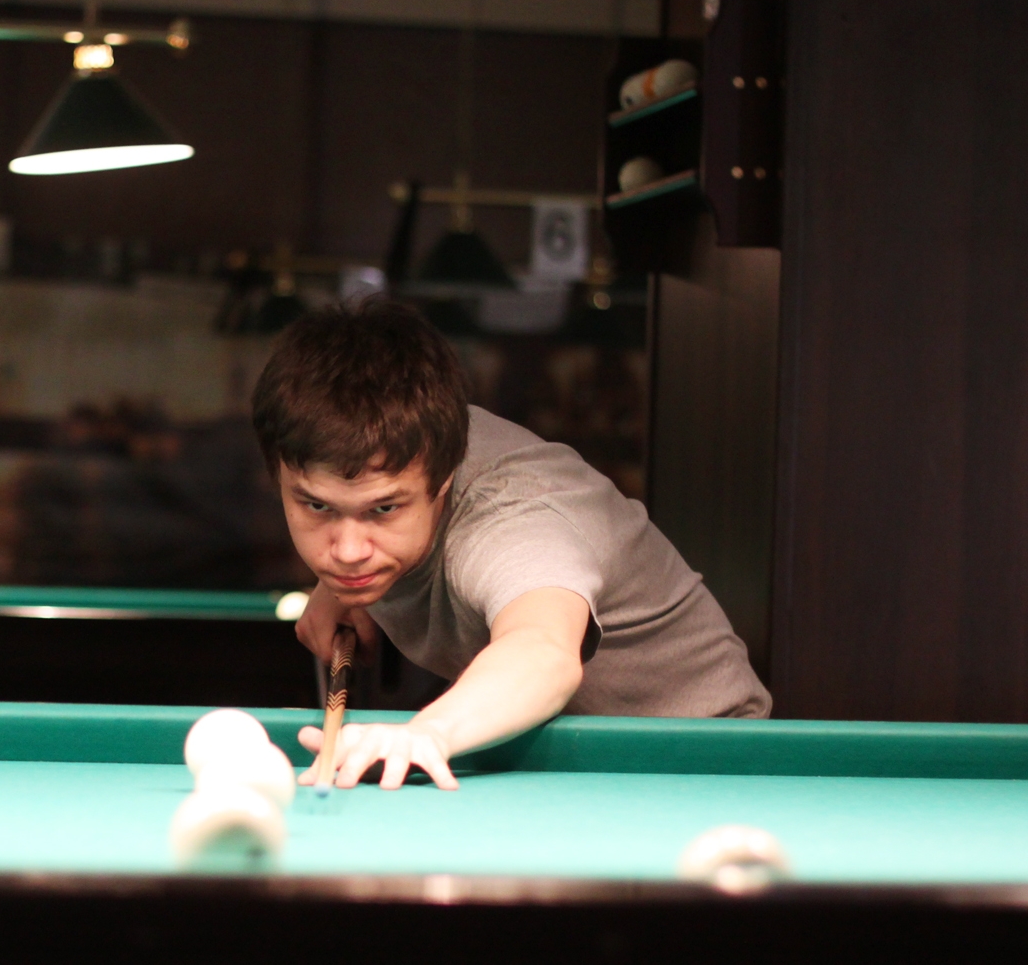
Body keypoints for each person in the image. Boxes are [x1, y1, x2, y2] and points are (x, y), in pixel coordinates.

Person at [251, 301, 770, 792]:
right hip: (559, 756)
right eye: (317, 506)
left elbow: (542, 650)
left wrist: (427, 733)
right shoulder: (402, 440)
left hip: (703, 762)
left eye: (383, 509)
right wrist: (341, 587)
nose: (346, 550)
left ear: (444, 480)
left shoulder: (515, 518)